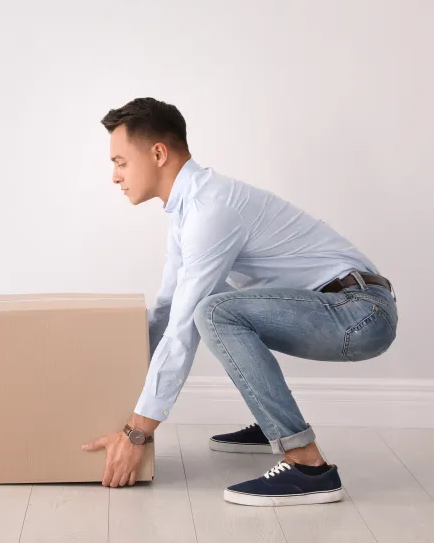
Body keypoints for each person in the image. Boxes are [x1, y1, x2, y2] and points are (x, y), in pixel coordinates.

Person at [81, 97, 398, 506]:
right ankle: (274, 426)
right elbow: (166, 309)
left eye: (120, 162)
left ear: (158, 153)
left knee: (211, 310)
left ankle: (308, 466)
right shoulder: (185, 211)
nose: (114, 176)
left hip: (360, 313)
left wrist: (136, 431)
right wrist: (113, 372)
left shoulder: (210, 209)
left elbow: (182, 330)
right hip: (333, 307)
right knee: (199, 302)